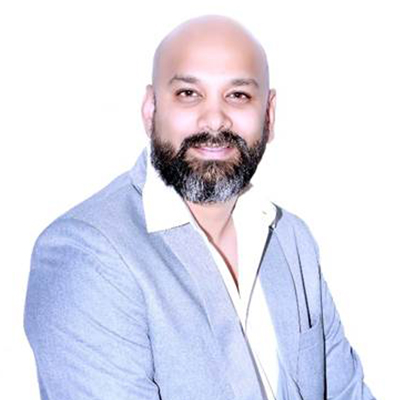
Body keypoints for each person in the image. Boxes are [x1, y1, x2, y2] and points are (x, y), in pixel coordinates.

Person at [24, 14, 375, 400]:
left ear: (269, 115)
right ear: (150, 109)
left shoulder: (292, 239)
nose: (214, 120)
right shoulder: (87, 254)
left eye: (238, 95)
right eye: (189, 93)